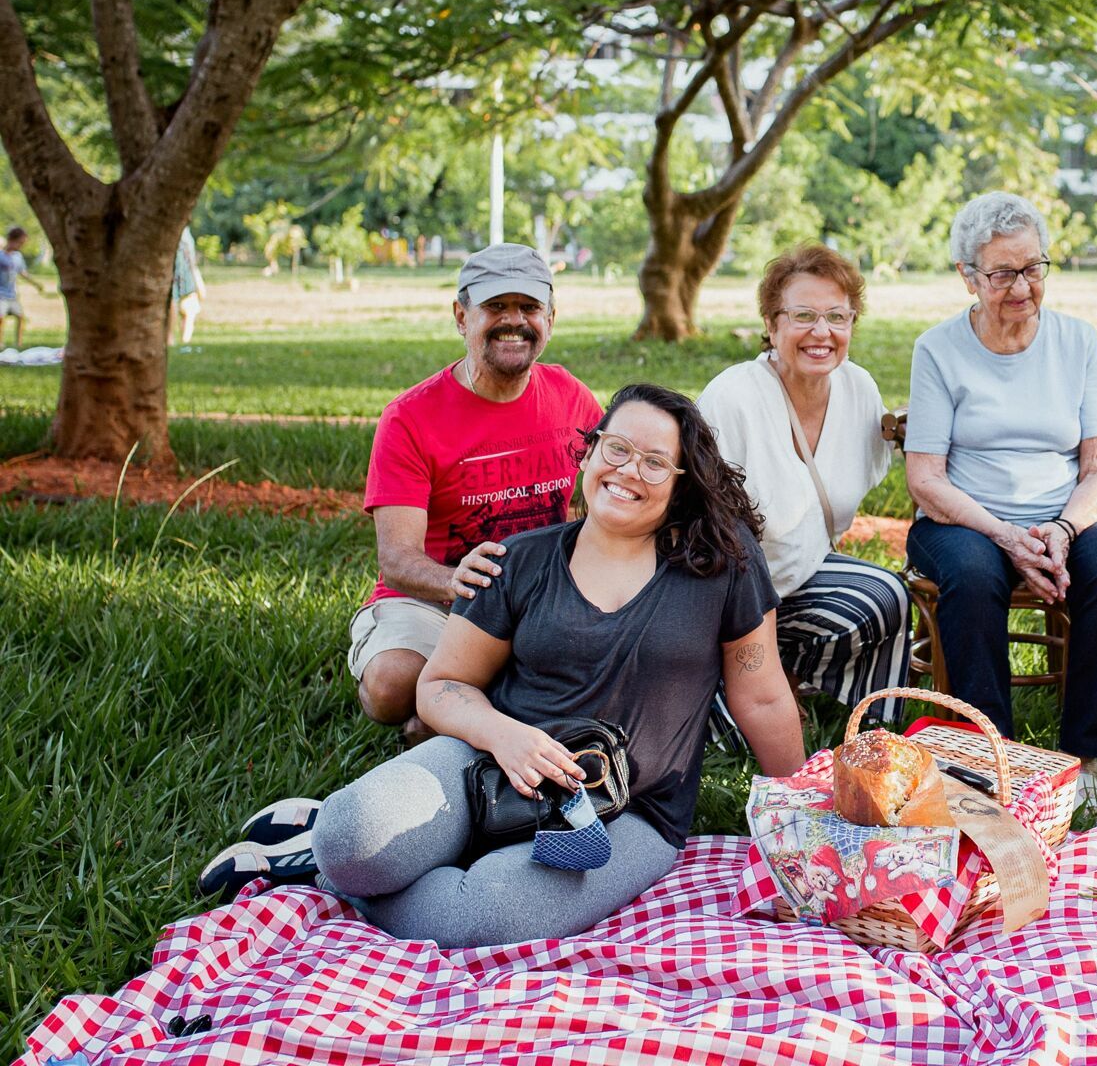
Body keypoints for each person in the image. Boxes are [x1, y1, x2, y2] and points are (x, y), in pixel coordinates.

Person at [197, 384, 806, 947]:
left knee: (486, 914)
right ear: (588, 454)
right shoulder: (517, 561)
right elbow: (440, 686)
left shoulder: (722, 566)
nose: (628, 472)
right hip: (486, 760)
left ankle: (339, 880)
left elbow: (762, 698)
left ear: (680, 482)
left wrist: (802, 820)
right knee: (351, 839)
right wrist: (505, 736)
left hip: (627, 808)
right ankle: (329, 847)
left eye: (654, 462)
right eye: (615, 449)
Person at [904, 192, 1097, 809]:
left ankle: (1080, 761)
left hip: (1061, 512)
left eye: (1034, 268)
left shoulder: (1076, 342)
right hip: (962, 515)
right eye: (1003, 273)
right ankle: (993, 762)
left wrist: (1062, 530)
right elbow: (925, 479)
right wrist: (1007, 534)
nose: (1022, 287)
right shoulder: (938, 348)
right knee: (974, 575)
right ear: (967, 276)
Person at [351, 243, 602, 738]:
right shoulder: (409, 418)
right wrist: (456, 582)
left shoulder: (570, 396)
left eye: (529, 308)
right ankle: (463, 703)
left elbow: (610, 495)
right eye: (496, 307)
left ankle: (452, 713)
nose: (515, 321)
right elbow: (397, 560)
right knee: (391, 684)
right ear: (461, 316)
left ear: (551, 318)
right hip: (437, 601)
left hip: (541, 599)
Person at [697, 244, 913, 714]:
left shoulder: (859, 389)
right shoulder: (732, 398)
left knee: (886, 595)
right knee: (724, 732)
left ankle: (868, 735)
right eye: (803, 316)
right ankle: (754, 686)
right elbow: (696, 528)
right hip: (722, 599)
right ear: (772, 326)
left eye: (837, 317)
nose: (822, 332)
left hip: (802, 579)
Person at [1, 225, 48, 350]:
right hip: (1, 294)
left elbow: (23, 273)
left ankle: (19, 344)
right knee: (1, 318)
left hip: (12, 294)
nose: (21, 245)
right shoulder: (1, 256)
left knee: (20, 317)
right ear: (11, 239)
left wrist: (36, 284)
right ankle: (0, 344)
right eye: (20, 242)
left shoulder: (17, 257)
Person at [170, 226, 208, 348]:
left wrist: (197, 278)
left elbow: (191, 258)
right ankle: (171, 339)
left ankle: (184, 341)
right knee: (173, 301)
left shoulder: (185, 232)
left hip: (185, 270)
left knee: (189, 306)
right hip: (176, 269)